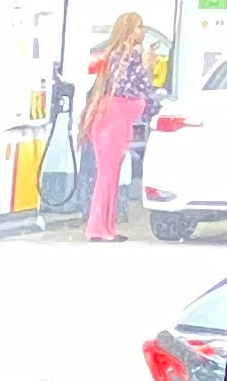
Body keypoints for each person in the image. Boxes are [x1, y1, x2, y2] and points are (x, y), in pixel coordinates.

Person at [81, 14, 155, 243]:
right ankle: (98, 229)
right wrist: (146, 66)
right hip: (114, 118)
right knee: (107, 175)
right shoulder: (126, 56)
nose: (142, 32)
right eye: (139, 27)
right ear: (129, 30)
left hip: (115, 118)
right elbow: (133, 86)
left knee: (109, 175)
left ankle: (106, 228)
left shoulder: (119, 54)